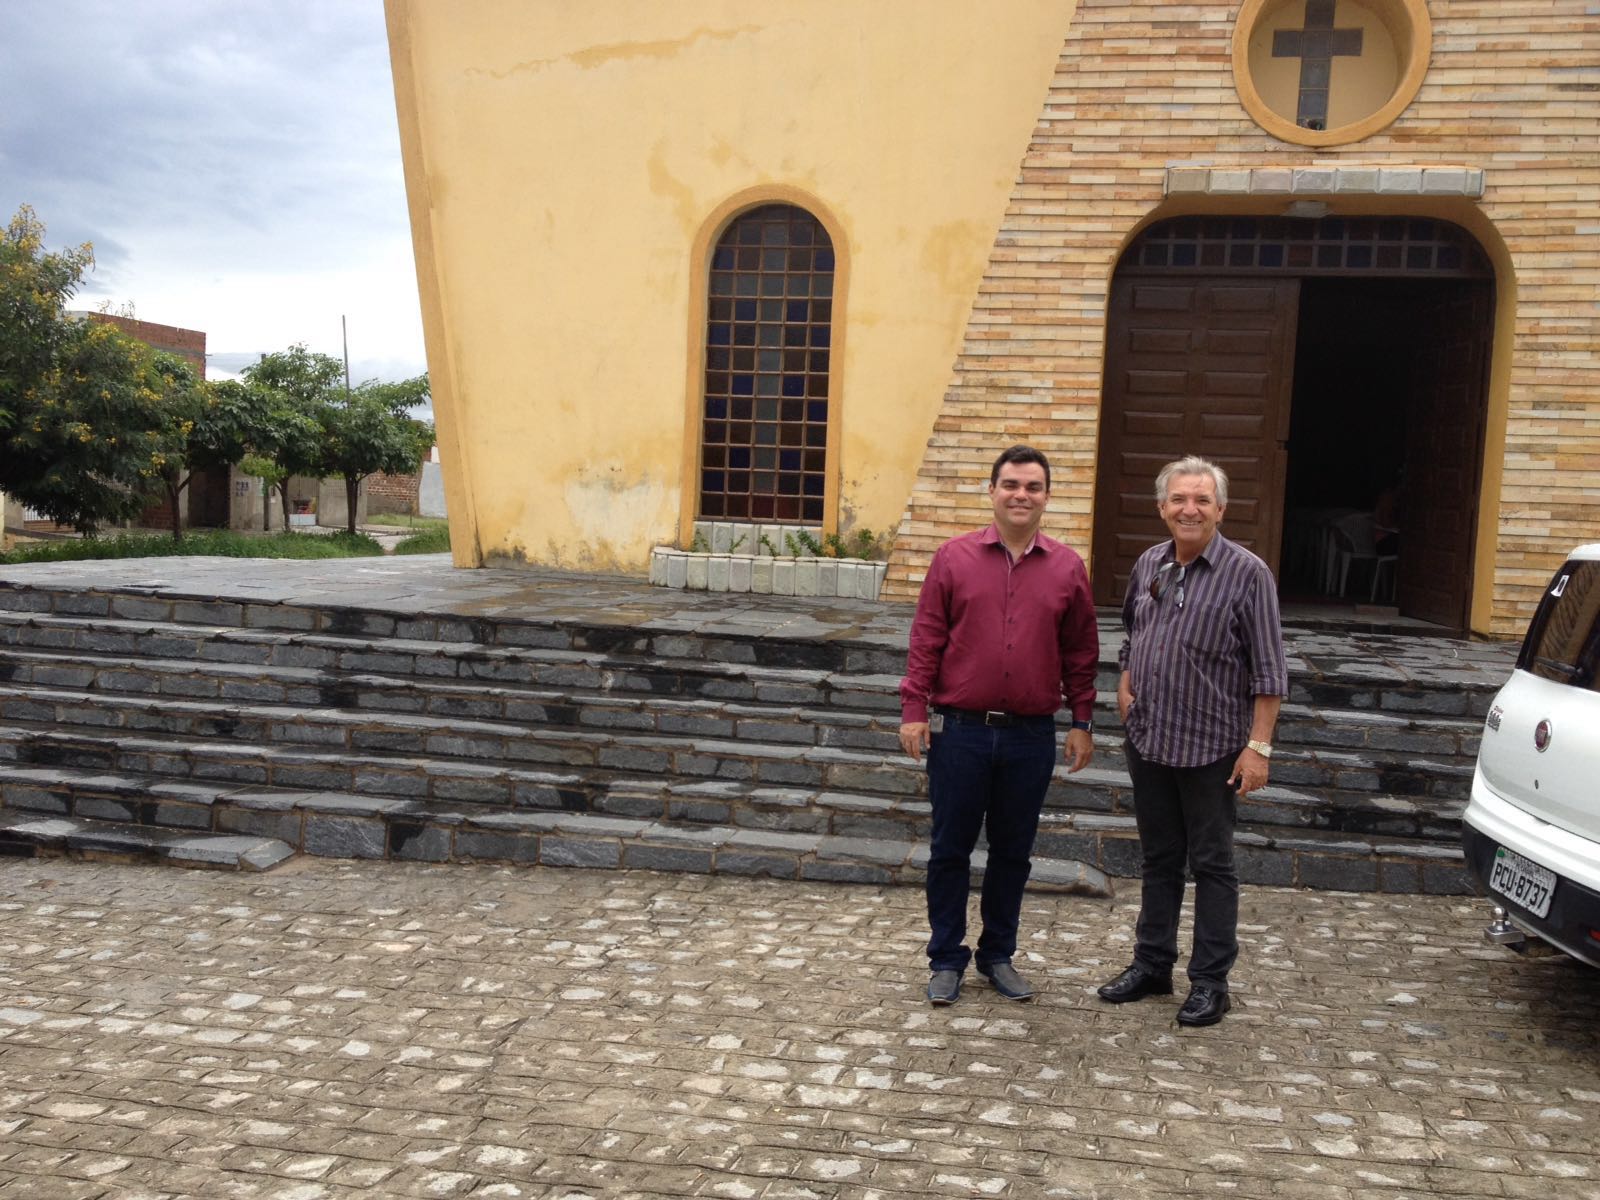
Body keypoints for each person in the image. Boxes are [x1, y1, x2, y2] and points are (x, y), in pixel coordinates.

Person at [899, 444, 1099, 1006]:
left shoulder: (1066, 568)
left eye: (1033, 487)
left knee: (1013, 852)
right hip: (960, 732)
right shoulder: (953, 559)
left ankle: (997, 956)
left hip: (1029, 736)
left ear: (1046, 498)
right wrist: (914, 710)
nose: (1021, 495)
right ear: (992, 492)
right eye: (1011, 485)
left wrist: (1082, 719)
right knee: (949, 850)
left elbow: (1081, 650)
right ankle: (945, 957)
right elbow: (926, 638)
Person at [1097, 455, 1288, 1026]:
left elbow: (1270, 671)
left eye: (1202, 500)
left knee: (1212, 864)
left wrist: (1260, 748)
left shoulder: (1248, 574)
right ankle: (1152, 964)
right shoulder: (1149, 563)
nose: (1190, 509)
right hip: (1151, 739)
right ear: (1162, 508)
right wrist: (1125, 687)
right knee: (1159, 858)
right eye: (1179, 499)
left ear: (1220, 509)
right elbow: (1134, 633)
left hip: (1214, 749)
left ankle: (1210, 982)